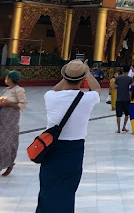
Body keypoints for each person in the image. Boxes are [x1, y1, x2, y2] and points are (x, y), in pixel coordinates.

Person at [36, 60, 101, 212]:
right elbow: (97, 88)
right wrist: (86, 71)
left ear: (64, 78)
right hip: (74, 150)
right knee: (67, 189)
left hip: (51, 148)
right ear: (83, 78)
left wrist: (68, 75)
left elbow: (54, 89)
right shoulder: (87, 98)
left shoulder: (50, 97)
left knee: (48, 186)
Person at [0, 70, 27, 176]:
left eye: (7, 77)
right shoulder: (7, 89)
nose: (5, 79)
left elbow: (23, 105)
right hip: (3, 116)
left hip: (11, 119)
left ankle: (9, 163)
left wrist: (9, 103)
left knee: (6, 141)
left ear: (10, 79)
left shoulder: (18, 90)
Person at [114, 68, 133, 133]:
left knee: (118, 115)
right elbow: (133, 85)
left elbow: (114, 86)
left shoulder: (118, 78)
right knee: (127, 114)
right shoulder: (130, 79)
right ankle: (124, 126)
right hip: (126, 98)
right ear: (128, 72)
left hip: (119, 98)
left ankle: (118, 129)